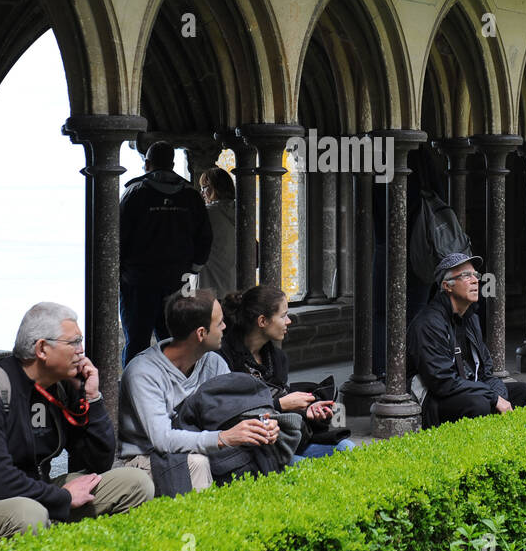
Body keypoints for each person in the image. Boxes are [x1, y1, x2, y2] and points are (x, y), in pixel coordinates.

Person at [0, 302, 153, 551]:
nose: (82, 352)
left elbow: (98, 461)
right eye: (74, 342)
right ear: (42, 348)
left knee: (135, 482)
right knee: (28, 515)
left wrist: (92, 398)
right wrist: (64, 498)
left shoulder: (58, 387)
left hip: (33, 494)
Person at [118, 289, 280, 492]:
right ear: (201, 333)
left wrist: (260, 426)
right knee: (197, 463)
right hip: (145, 458)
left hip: (199, 445)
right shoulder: (143, 373)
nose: (225, 327)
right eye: (219, 322)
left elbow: (232, 413)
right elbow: (163, 440)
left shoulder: (213, 362)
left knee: (259, 452)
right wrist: (222, 438)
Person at [219, 285, 355, 460]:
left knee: (347, 447)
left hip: (285, 438)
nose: (289, 321)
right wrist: (280, 404)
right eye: (283, 316)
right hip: (254, 449)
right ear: (262, 321)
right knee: (304, 466)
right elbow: (229, 413)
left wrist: (308, 412)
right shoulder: (224, 358)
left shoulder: (277, 358)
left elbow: (283, 414)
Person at [407, 252, 526, 427]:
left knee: (524, 392)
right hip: (437, 398)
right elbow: (442, 382)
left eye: (475, 275)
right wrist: (492, 398)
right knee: (479, 405)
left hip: (470, 390)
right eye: (466, 276)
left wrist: (499, 396)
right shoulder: (428, 323)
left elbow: (485, 371)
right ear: (447, 286)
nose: (475, 280)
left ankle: (500, 440)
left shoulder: (470, 318)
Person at [118, 141, 212, 365]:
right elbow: (205, 236)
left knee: (137, 339)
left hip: (139, 281)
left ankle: (132, 388)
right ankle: (174, 385)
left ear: (147, 163)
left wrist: (122, 268)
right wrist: (193, 268)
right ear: (172, 163)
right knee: (175, 338)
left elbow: (117, 236)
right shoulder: (191, 195)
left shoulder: (135, 193)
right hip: (178, 280)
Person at [197, 166, 237, 299]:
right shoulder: (241, 210)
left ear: (214, 188)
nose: (202, 192)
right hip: (235, 284)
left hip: (210, 285)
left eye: (204, 187)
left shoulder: (206, 213)